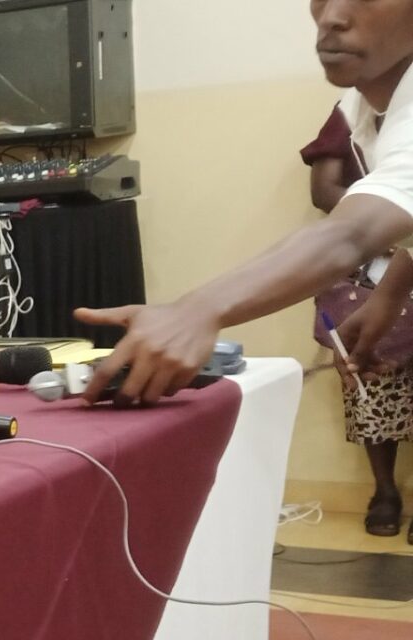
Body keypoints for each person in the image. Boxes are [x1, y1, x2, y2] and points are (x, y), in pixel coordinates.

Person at [75, 0, 413, 405]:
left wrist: (197, 311)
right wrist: (387, 298)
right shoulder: (363, 100)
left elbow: (351, 233)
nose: (331, 17)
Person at [302, 105, 413, 536]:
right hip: (375, 261)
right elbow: (324, 189)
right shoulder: (352, 107)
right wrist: (381, 229)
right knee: (371, 376)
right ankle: (384, 490)